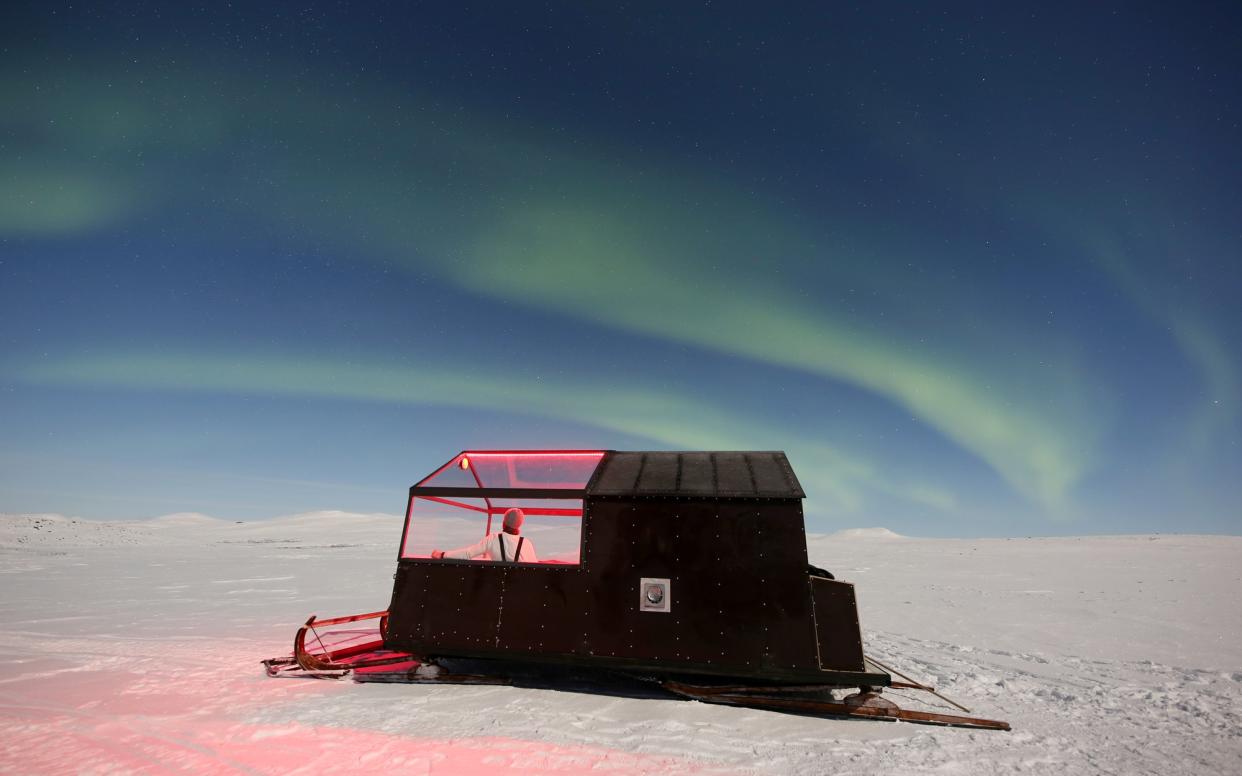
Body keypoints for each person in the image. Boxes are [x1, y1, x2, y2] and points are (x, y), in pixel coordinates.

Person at [431, 507, 537, 563]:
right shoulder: (527, 543)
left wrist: (442, 555)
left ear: (503, 522)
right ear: (519, 525)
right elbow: (534, 566)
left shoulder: (493, 539)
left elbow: (468, 554)